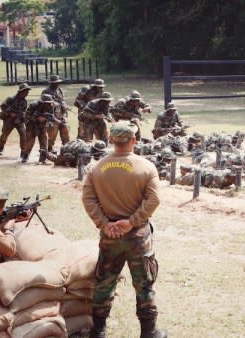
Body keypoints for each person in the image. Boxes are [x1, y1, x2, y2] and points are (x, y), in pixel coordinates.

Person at [82, 121, 166, 338]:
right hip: (138, 236)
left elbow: (88, 200)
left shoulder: (96, 168)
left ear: (111, 140)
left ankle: (98, 331)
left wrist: (104, 224)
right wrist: (132, 221)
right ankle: (149, 332)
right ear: (134, 140)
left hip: (109, 235)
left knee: (105, 282)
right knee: (144, 283)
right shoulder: (146, 167)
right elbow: (154, 199)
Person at [0, 83, 31, 156]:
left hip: (19, 121)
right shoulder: (11, 98)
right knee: (4, 134)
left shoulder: (24, 101)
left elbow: (24, 112)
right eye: (26, 91)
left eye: (27, 91)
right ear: (21, 91)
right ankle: (1, 148)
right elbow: (2, 106)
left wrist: (22, 117)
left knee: (23, 134)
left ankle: (23, 151)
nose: (27, 93)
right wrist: (10, 113)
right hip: (9, 121)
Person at [22, 94, 55, 163]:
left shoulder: (50, 106)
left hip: (43, 125)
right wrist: (36, 118)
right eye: (46, 103)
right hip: (31, 125)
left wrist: (46, 120)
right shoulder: (33, 105)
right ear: (42, 102)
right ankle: (26, 155)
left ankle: (43, 157)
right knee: (30, 141)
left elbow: (51, 117)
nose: (48, 104)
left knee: (44, 140)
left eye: (49, 103)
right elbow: (26, 116)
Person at [42, 74, 70, 151]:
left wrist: (65, 105)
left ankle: (66, 148)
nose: (57, 84)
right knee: (52, 134)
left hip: (61, 115)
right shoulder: (46, 91)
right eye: (55, 82)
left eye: (57, 82)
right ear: (51, 83)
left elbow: (62, 100)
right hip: (52, 116)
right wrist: (53, 104)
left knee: (66, 131)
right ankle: (49, 149)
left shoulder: (59, 90)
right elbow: (43, 102)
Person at [42, 139, 108, 167]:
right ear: (96, 150)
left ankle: (49, 153)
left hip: (71, 150)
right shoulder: (86, 152)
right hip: (67, 153)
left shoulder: (90, 148)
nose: (101, 154)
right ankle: (45, 153)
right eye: (100, 152)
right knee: (56, 160)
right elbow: (81, 166)